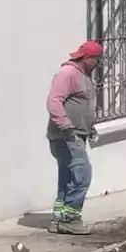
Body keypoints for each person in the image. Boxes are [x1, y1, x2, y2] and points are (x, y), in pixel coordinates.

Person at [45, 40, 102, 234]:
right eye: (97, 60)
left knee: (68, 177)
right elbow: (54, 101)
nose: (98, 64)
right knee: (82, 175)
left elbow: (82, 106)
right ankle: (70, 219)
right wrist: (67, 127)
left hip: (76, 134)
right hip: (67, 135)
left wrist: (90, 127)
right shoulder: (68, 74)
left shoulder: (84, 76)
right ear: (88, 59)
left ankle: (58, 219)